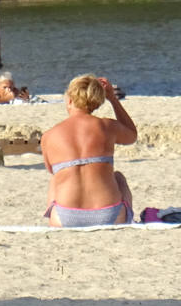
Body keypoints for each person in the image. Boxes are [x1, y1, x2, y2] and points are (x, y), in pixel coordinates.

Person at [40, 74, 137, 226]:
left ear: (70, 100)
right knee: (118, 178)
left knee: (56, 179)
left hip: (64, 216)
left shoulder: (49, 136)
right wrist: (112, 99)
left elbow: (52, 169)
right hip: (109, 214)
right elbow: (132, 135)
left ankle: (54, 221)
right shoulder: (107, 126)